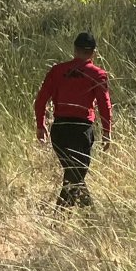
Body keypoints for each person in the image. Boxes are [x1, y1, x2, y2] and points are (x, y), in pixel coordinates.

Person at [34, 32, 113, 207]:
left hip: (60, 130)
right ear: (93, 53)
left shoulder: (57, 71)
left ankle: (89, 218)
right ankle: (60, 219)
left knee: (74, 174)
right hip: (81, 131)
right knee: (75, 176)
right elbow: (104, 105)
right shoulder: (98, 74)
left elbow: (40, 100)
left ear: (75, 50)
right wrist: (107, 132)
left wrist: (40, 125)